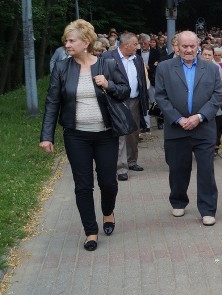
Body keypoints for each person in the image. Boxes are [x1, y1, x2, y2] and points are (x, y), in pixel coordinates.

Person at [40, 19, 129, 251]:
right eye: (66, 40)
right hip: (76, 136)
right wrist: (46, 135)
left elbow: (124, 91)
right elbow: (52, 102)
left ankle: (108, 212)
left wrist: (108, 85)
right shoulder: (62, 68)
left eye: (71, 40)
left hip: (106, 134)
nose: (67, 44)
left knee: (108, 183)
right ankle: (90, 230)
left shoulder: (107, 64)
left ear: (86, 42)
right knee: (83, 186)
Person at [155, 31, 222, 226]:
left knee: (206, 170)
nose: (188, 50)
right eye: (184, 46)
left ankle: (208, 208)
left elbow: (218, 95)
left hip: (204, 128)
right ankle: (178, 200)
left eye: (192, 46)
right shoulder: (165, 68)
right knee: (177, 168)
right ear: (176, 46)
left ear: (198, 46)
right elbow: (160, 96)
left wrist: (200, 116)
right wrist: (177, 118)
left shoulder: (211, 68)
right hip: (176, 129)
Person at [108, 33, 148, 181]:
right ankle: (121, 168)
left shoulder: (137, 59)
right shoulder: (109, 57)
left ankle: (132, 161)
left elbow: (142, 80)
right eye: (135, 44)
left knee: (134, 133)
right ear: (126, 46)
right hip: (117, 101)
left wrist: (144, 100)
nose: (138, 46)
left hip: (135, 101)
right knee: (120, 135)